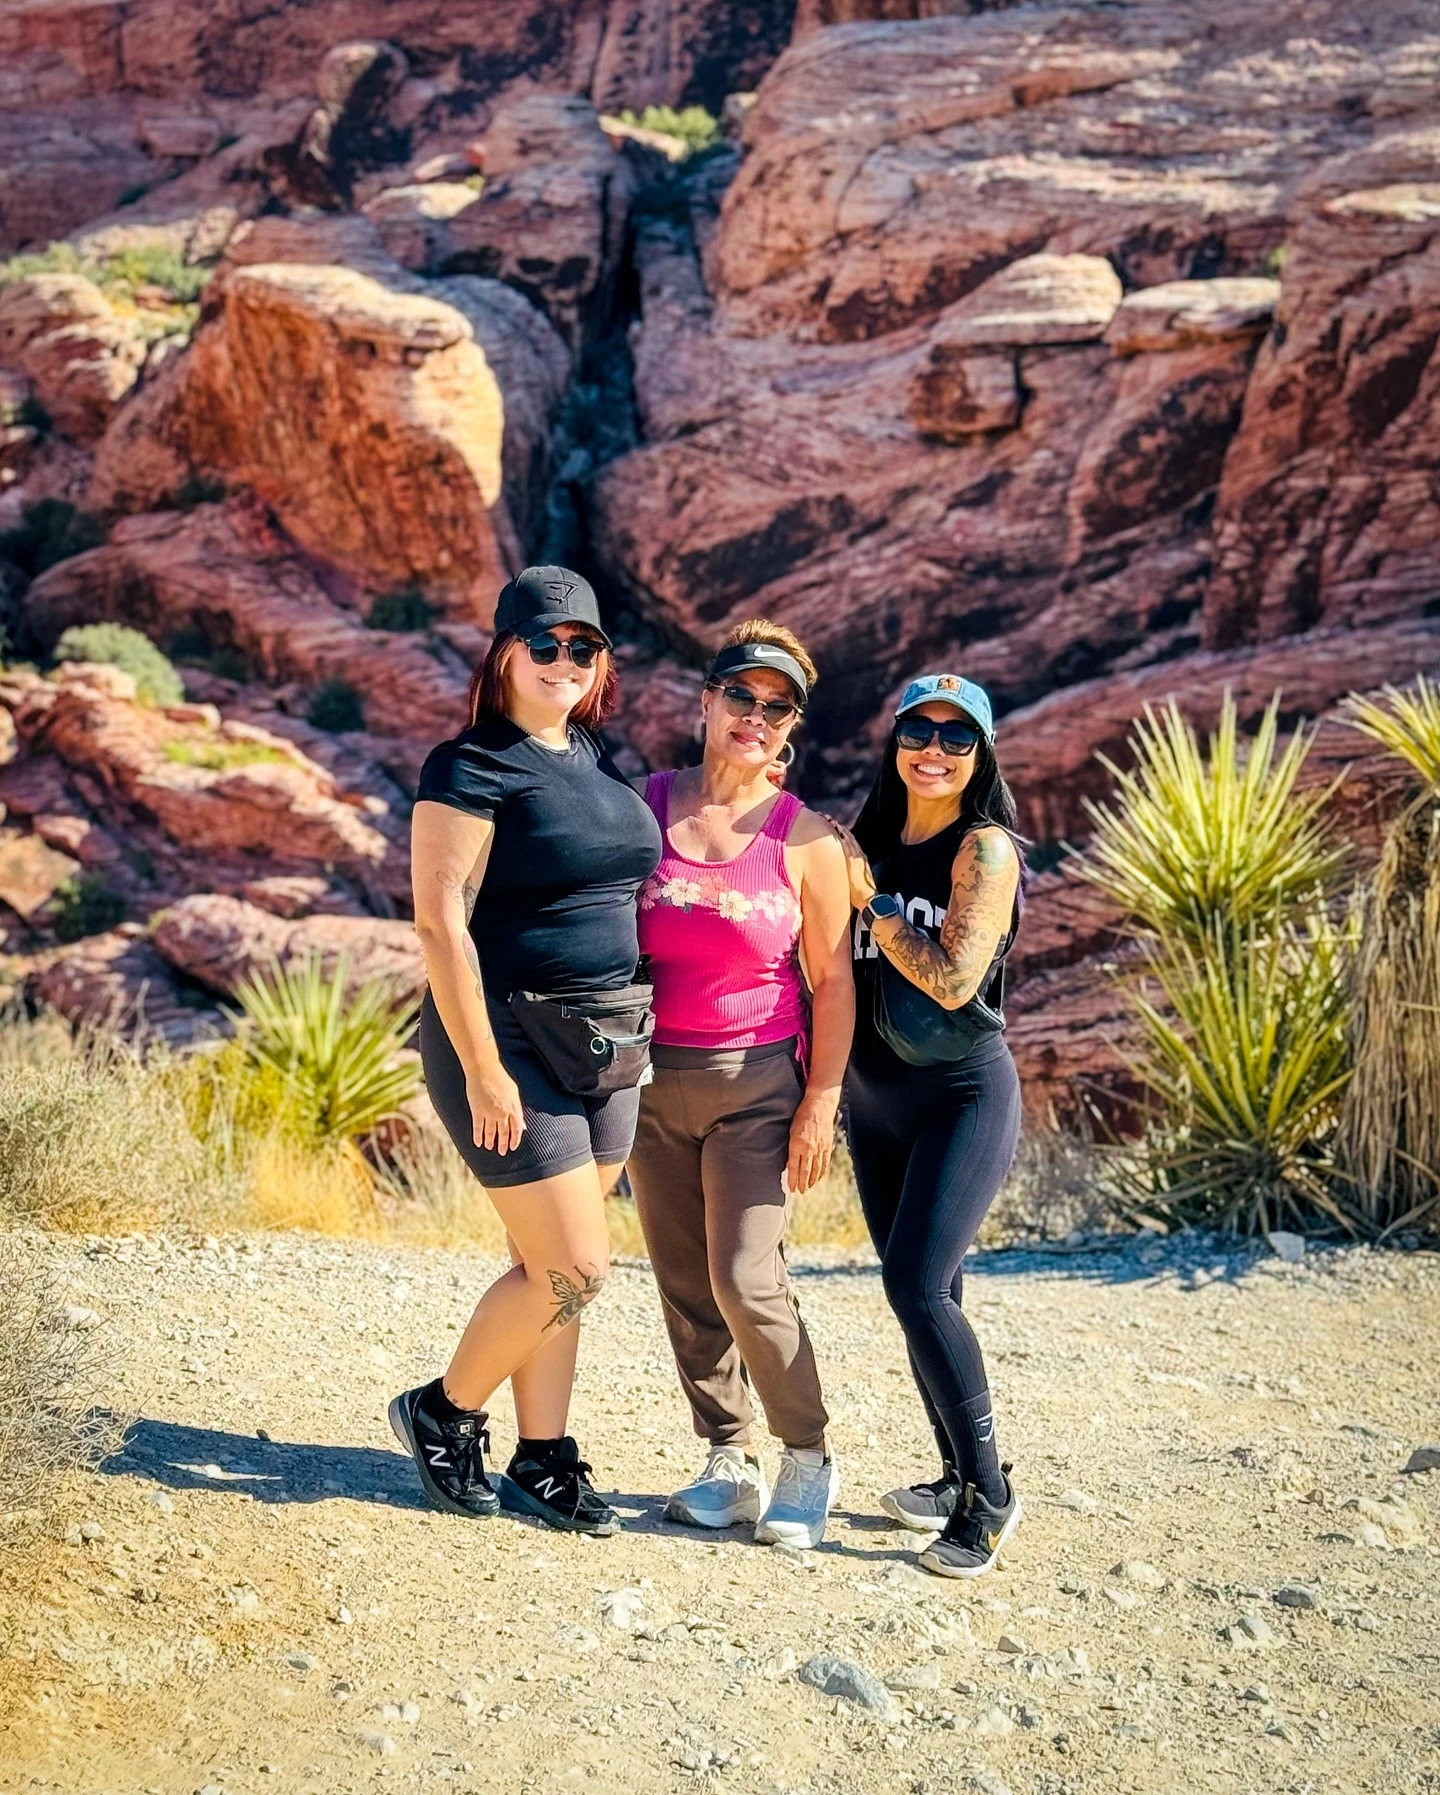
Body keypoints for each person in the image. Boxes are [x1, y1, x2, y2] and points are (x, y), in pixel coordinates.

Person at [389, 566, 662, 1536]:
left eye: (582, 647)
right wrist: (485, 1067)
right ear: (506, 651)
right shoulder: (467, 765)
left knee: (544, 1262)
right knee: (577, 1265)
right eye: (544, 644)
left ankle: (542, 1458)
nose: (564, 661)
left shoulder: (590, 753)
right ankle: (442, 1410)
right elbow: (439, 926)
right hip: (507, 1039)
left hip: (607, 1041)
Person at [626, 621, 855, 1550]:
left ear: (791, 723)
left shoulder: (808, 841)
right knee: (684, 1280)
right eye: (740, 697)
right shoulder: (640, 807)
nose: (753, 717)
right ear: (706, 701)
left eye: (776, 705)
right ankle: (728, 1454)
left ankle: (807, 1452)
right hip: (647, 1080)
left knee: (745, 1276)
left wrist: (820, 1102)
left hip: (758, 1080)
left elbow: (833, 979)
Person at [830, 674, 1024, 1577]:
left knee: (918, 1286)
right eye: (919, 730)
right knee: (925, 1290)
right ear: (895, 740)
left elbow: (950, 978)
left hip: (961, 1096)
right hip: (873, 1104)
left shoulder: (983, 849)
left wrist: (869, 902)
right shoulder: (862, 838)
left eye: (957, 736)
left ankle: (989, 1494)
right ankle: (951, 1475)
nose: (934, 750)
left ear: (980, 753)